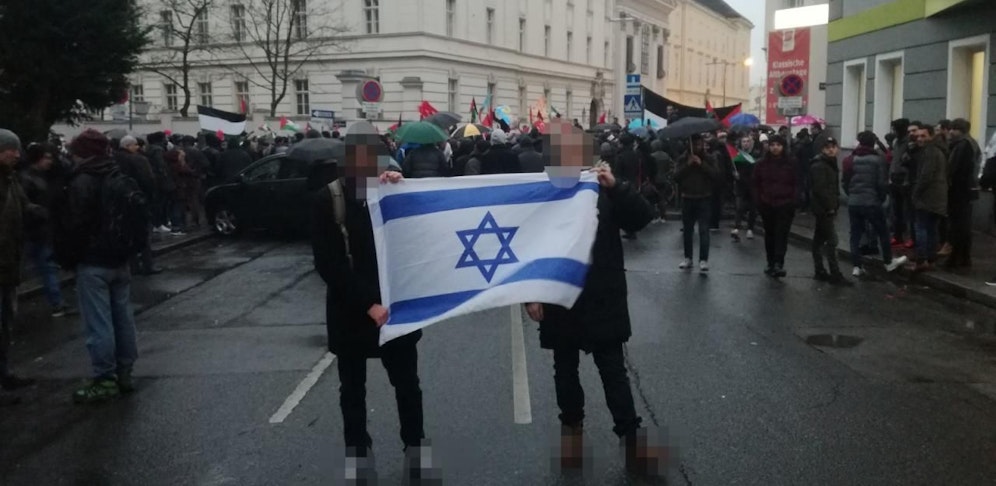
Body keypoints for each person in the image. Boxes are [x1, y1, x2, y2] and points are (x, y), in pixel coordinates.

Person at [525, 121, 663, 476]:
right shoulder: (543, 192)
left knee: (613, 372)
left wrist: (618, 188)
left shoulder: (602, 187)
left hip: (603, 295)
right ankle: (571, 433)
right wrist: (532, 294)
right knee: (565, 371)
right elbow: (529, 247)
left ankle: (631, 441)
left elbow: (643, 218)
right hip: (561, 296)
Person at [310, 123, 429, 482]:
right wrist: (368, 305)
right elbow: (329, 264)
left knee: (407, 385)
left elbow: (417, 238)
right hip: (352, 312)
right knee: (352, 389)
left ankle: (415, 446)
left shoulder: (390, 189)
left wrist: (401, 186)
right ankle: (359, 452)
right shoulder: (327, 199)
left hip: (394, 310)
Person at [55, 129, 142, 403]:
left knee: (98, 323)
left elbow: (76, 224)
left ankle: (104, 378)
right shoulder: (117, 174)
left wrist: (69, 254)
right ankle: (125, 371)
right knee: (123, 318)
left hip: (93, 260)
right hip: (120, 256)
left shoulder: (82, 180)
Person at [0, 129, 41, 405]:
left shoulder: (11, 179)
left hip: (9, 263)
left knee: (5, 324)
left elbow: (25, 207)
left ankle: (4, 373)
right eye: (10, 149)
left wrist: (43, 211)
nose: (16, 154)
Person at [842, 132, 909, 277]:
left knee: (855, 234)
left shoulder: (849, 159)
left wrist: (852, 195)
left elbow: (845, 182)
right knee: (882, 231)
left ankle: (857, 266)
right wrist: (880, 198)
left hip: (854, 202)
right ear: (873, 143)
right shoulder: (878, 160)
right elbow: (881, 183)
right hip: (871, 202)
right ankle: (888, 261)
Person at [20, 143, 76, 315]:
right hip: (35, 230)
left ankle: (57, 302)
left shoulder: (40, 177)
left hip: (40, 231)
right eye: (47, 158)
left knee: (47, 268)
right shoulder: (29, 179)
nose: (50, 161)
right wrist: (42, 213)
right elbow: (23, 205)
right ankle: (56, 303)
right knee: (45, 268)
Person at [116, 136, 161, 275]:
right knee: (144, 234)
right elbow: (149, 180)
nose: (138, 147)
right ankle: (148, 265)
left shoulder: (114, 159)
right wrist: (150, 197)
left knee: (128, 234)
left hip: (122, 201)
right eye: (135, 145)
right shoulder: (138, 159)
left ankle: (133, 265)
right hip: (139, 200)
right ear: (128, 146)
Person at [753, 135, 797, 278]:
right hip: (767, 204)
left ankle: (779, 263)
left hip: (785, 205)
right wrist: (759, 201)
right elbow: (755, 184)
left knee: (781, 235)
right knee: (770, 234)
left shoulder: (791, 163)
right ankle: (770, 262)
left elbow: (798, 183)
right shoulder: (761, 164)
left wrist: (793, 201)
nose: (775, 147)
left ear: (783, 147)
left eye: (778, 145)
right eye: (772, 145)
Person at [809, 137, 850, 284]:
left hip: (825, 208)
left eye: (833, 146)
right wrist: (830, 207)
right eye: (827, 147)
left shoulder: (829, 163)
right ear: (822, 149)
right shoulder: (820, 165)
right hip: (824, 209)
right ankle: (835, 274)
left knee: (819, 240)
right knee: (832, 241)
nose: (831, 149)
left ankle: (819, 270)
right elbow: (821, 189)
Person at [675, 134, 718, 272]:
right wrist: (688, 165)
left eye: (700, 144)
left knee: (704, 230)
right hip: (687, 197)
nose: (697, 147)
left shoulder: (709, 158)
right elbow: (676, 177)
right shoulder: (683, 158)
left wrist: (701, 164)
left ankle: (703, 259)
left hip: (704, 197)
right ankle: (688, 258)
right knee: (688, 230)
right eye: (694, 144)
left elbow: (716, 175)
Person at [910, 125, 948, 272]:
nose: (919, 138)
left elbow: (926, 176)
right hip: (938, 196)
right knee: (932, 229)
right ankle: (931, 259)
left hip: (927, 196)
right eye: (918, 136)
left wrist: (916, 193)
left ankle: (921, 260)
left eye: (923, 136)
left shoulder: (930, 152)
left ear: (931, 136)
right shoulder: (939, 150)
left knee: (921, 228)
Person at [944, 118, 979, 268]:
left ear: (961, 131)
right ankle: (963, 257)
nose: (950, 132)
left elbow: (954, 168)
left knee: (959, 225)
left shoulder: (963, 145)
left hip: (959, 190)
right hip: (965, 190)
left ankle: (957, 257)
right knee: (962, 224)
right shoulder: (969, 143)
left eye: (954, 129)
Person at [731, 136, 757, 241]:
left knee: (752, 209)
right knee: (739, 207)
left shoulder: (755, 155)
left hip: (752, 185)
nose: (745, 143)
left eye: (747, 142)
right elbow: (732, 169)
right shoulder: (738, 156)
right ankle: (737, 227)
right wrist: (734, 174)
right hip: (740, 185)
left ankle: (750, 228)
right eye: (743, 141)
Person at [164, 149, 193, 236]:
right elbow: (188, 171)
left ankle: (177, 226)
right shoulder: (177, 166)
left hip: (174, 189)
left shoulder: (169, 165)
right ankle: (176, 228)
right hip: (179, 189)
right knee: (177, 208)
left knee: (175, 207)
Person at [650, 139, 674, 222]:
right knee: (662, 198)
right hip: (664, 179)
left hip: (654, 179)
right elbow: (671, 167)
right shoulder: (666, 155)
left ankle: (654, 216)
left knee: (653, 199)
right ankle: (663, 215)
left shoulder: (652, 156)